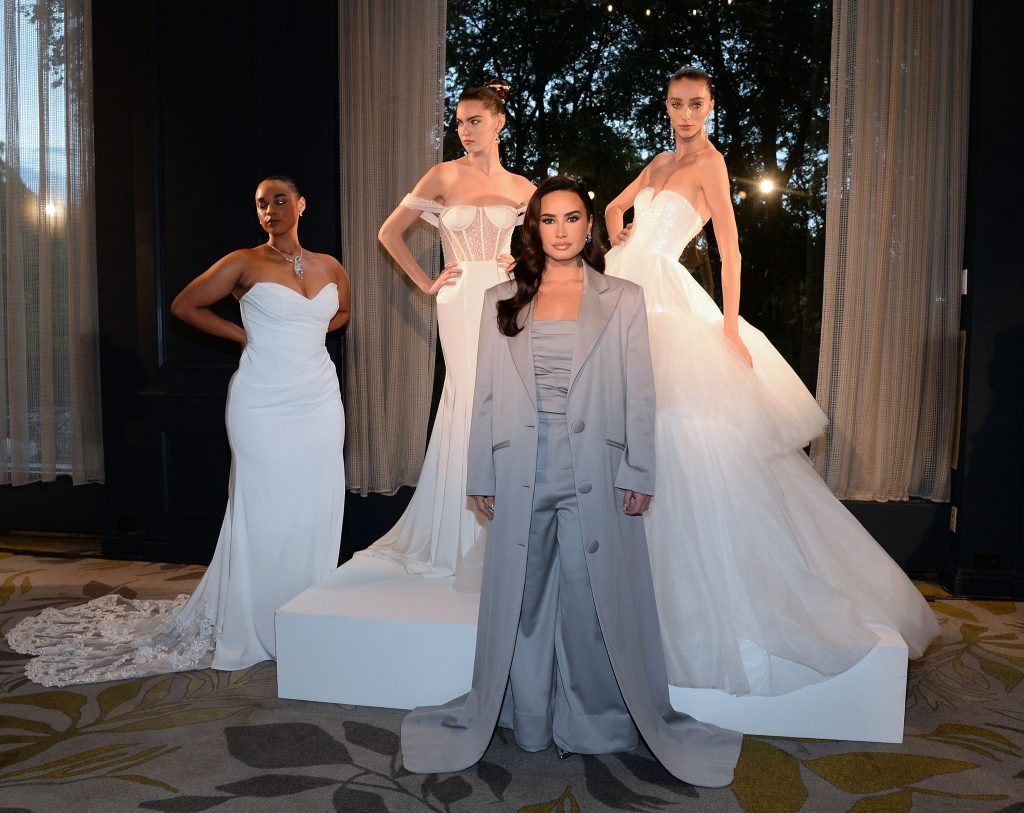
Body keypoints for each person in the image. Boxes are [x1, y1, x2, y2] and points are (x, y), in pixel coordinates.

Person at [604, 66, 939, 696]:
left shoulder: (711, 164)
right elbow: (615, 205)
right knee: (628, 423)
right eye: (675, 103)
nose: (684, 114)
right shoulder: (656, 161)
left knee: (679, 430)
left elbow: (730, 250)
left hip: (665, 301)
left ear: (710, 106)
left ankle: (694, 590)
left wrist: (729, 326)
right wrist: (617, 230)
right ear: (666, 105)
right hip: (623, 287)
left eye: (695, 104)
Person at [400, 176, 742, 787]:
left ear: (590, 226)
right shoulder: (501, 298)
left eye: (573, 218)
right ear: (534, 228)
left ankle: (598, 723)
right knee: (524, 602)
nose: (561, 230)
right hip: (519, 466)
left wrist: (639, 468)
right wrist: (481, 469)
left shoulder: (624, 297)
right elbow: (482, 396)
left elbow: (641, 392)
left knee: (592, 601)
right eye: (549, 220)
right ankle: (528, 718)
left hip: (598, 471)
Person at [6, 176, 350, 686]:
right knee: (262, 507)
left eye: (280, 200)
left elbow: (342, 311)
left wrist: (303, 333)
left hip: (320, 398)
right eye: (260, 203)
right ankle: (254, 623)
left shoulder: (330, 266)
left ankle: (307, 612)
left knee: (317, 502)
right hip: (263, 400)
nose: (270, 209)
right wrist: (247, 335)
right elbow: (185, 305)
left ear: (302, 204)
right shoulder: (243, 261)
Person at [359, 78, 535, 590]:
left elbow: (554, 244)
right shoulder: (441, 175)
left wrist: (522, 265)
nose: (464, 130)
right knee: (467, 396)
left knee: (505, 399)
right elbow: (388, 233)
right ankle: (456, 533)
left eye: (474, 120)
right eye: (458, 122)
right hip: (458, 300)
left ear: (499, 122)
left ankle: (506, 527)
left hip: (506, 299)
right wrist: (428, 282)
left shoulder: (523, 187)